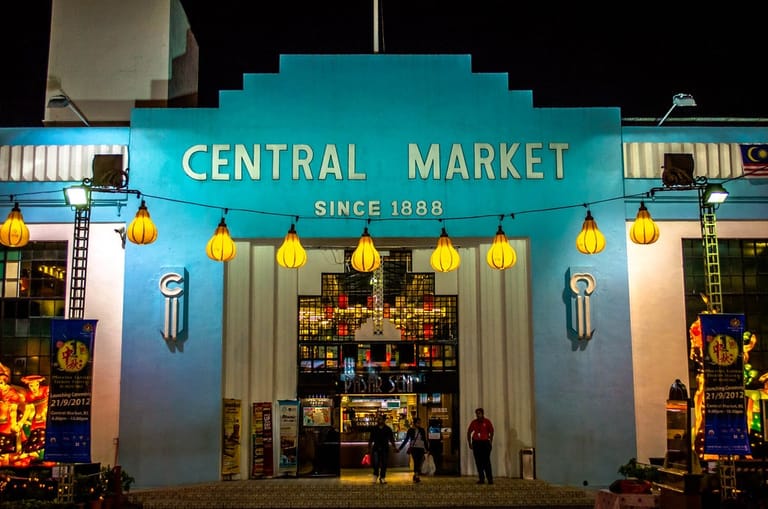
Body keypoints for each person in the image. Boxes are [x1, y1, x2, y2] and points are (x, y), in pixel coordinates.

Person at [466, 407, 494, 484]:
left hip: (485, 443)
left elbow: (491, 431)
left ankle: (490, 479)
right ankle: (481, 479)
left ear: (482, 414)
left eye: (479, 413)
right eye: (477, 414)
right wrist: (470, 443)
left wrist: (490, 441)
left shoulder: (487, 422)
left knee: (486, 462)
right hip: (476, 443)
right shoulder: (474, 422)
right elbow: (469, 432)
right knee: (478, 462)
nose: (478, 415)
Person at [367, 414, 397, 484]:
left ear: (384, 420)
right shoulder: (374, 429)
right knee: (376, 463)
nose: (378, 420)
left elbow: (391, 439)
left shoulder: (388, 429)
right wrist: (368, 448)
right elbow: (371, 439)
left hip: (385, 448)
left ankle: (382, 477)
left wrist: (394, 447)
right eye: (378, 419)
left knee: (384, 464)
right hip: (376, 448)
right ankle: (375, 475)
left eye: (380, 419)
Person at [398, 416, 430, 482]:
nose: (419, 424)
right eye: (418, 423)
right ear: (414, 423)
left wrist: (427, 449)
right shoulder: (410, 430)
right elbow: (406, 440)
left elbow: (424, 440)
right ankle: (416, 475)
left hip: (421, 448)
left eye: (420, 423)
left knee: (419, 462)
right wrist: (400, 448)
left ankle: (416, 475)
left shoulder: (422, 430)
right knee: (416, 461)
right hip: (414, 448)